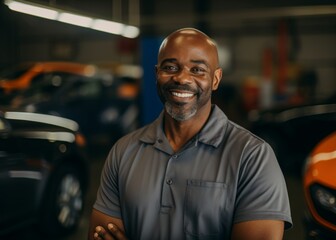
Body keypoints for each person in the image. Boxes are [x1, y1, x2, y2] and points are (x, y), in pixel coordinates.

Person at [88, 27, 293, 240]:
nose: (181, 78)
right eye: (170, 67)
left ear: (215, 79)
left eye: (197, 70)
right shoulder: (123, 151)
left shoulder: (253, 157)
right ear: (156, 74)